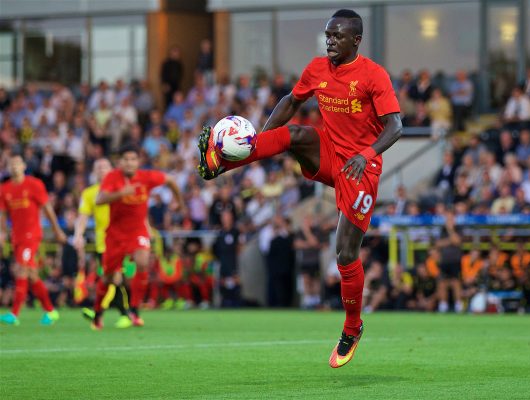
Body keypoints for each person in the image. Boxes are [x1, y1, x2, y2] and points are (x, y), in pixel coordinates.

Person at [196, 9, 402, 368]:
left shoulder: (373, 75)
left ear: (356, 40)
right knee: (295, 135)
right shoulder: (317, 68)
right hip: (329, 152)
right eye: (327, 35)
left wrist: (367, 153)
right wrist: (253, 141)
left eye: (337, 36)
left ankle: (352, 327)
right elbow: (291, 102)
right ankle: (224, 162)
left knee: (344, 255)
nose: (330, 41)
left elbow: (395, 126)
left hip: (361, 169)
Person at [92, 144, 184, 330]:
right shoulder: (112, 177)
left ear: (138, 162)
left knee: (143, 262)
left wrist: (179, 202)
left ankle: (134, 309)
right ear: (120, 163)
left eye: (133, 159)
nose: (129, 163)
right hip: (115, 235)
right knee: (109, 278)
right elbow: (99, 200)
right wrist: (120, 194)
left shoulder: (146, 177)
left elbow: (170, 180)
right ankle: (98, 313)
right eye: (126, 159)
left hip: (138, 231)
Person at [0, 154, 67, 325]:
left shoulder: (34, 185)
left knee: (21, 270)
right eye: (11, 164)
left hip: (32, 235)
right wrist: (3, 232)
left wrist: (57, 231)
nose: (14, 166)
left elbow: (47, 209)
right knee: (31, 275)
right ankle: (51, 311)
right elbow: (2, 213)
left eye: (17, 163)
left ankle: (14, 314)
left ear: (23, 166)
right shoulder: (4, 189)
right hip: (17, 237)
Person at [74, 158, 132, 329]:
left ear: (112, 169)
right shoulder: (89, 193)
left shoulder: (121, 188)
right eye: (98, 167)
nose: (101, 170)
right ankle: (115, 313)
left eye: (105, 166)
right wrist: (78, 234)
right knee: (110, 278)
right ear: (94, 171)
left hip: (121, 240)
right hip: (102, 243)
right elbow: (83, 217)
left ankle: (108, 312)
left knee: (114, 277)